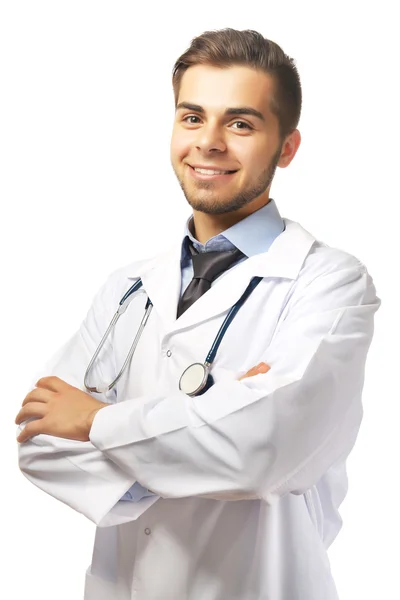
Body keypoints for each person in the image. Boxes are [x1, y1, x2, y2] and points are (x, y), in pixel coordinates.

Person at [15, 27, 381, 600]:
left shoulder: (329, 282)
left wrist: (96, 424)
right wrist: (214, 425)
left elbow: (267, 447)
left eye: (240, 123)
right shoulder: (128, 286)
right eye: (192, 117)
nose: (208, 142)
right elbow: (38, 441)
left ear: (286, 147)